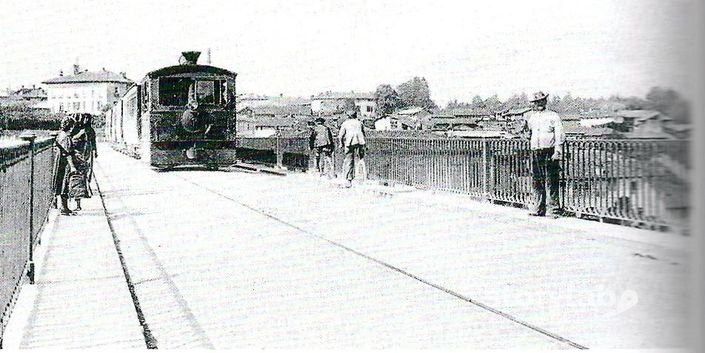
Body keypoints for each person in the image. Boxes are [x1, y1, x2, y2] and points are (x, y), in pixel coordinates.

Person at [522, 91, 565, 218]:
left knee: (551, 180)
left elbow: (559, 134)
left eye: (541, 101)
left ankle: (553, 209)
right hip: (535, 150)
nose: (539, 103)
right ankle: (538, 207)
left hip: (549, 151)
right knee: (537, 181)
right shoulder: (532, 117)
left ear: (545, 101)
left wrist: (558, 151)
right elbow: (529, 132)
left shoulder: (553, 116)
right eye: (536, 102)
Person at [71, 114, 98, 210]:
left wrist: (95, 151)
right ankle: (84, 189)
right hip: (81, 153)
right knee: (82, 172)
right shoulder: (78, 129)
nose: (85, 120)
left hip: (87, 151)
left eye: (87, 118)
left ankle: (86, 187)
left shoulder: (89, 130)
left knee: (87, 170)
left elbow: (93, 141)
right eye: (84, 118)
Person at [52, 116, 77, 215]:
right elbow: (67, 153)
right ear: (70, 127)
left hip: (59, 162)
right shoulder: (66, 137)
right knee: (64, 183)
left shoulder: (60, 135)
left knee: (60, 182)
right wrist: (72, 166)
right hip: (64, 163)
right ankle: (64, 208)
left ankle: (60, 205)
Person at [338, 109, 367, 188]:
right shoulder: (359, 123)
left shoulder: (345, 123)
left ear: (348, 116)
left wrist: (341, 143)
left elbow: (340, 135)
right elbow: (363, 134)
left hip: (349, 143)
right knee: (360, 159)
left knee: (349, 160)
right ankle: (361, 176)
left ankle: (349, 179)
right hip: (359, 142)